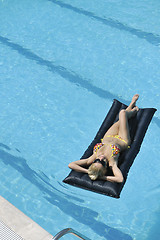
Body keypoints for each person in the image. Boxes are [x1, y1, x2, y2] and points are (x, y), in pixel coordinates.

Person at [68, 94, 139, 183]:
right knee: (122, 113)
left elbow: (71, 165)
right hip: (122, 139)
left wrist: (88, 172)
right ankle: (132, 106)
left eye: (97, 161)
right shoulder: (112, 163)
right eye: (102, 162)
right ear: (105, 167)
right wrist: (103, 177)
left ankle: (132, 110)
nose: (101, 158)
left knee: (122, 117)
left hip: (108, 136)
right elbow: (120, 179)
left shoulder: (91, 158)